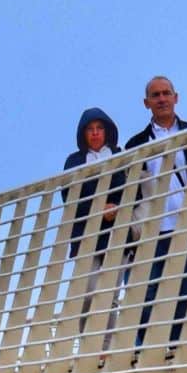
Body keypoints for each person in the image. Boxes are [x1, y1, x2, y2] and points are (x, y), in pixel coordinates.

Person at [124, 77, 187, 348]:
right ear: (147, 103)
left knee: (185, 289)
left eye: (166, 93)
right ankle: (144, 349)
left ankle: (177, 349)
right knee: (147, 292)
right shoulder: (136, 144)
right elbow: (129, 192)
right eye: (156, 95)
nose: (162, 99)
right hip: (151, 231)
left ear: (176, 98)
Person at [61, 108, 128, 262]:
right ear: (83, 133)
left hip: (118, 230)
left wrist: (115, 206)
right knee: (88, 285)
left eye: (99, 128)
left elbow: (133, 187)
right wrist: (99, 209)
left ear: (107, 131)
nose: (95, 133)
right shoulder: (74, 161)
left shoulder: (121, 154)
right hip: (86, 233)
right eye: (90, 129)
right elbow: (69, 197)